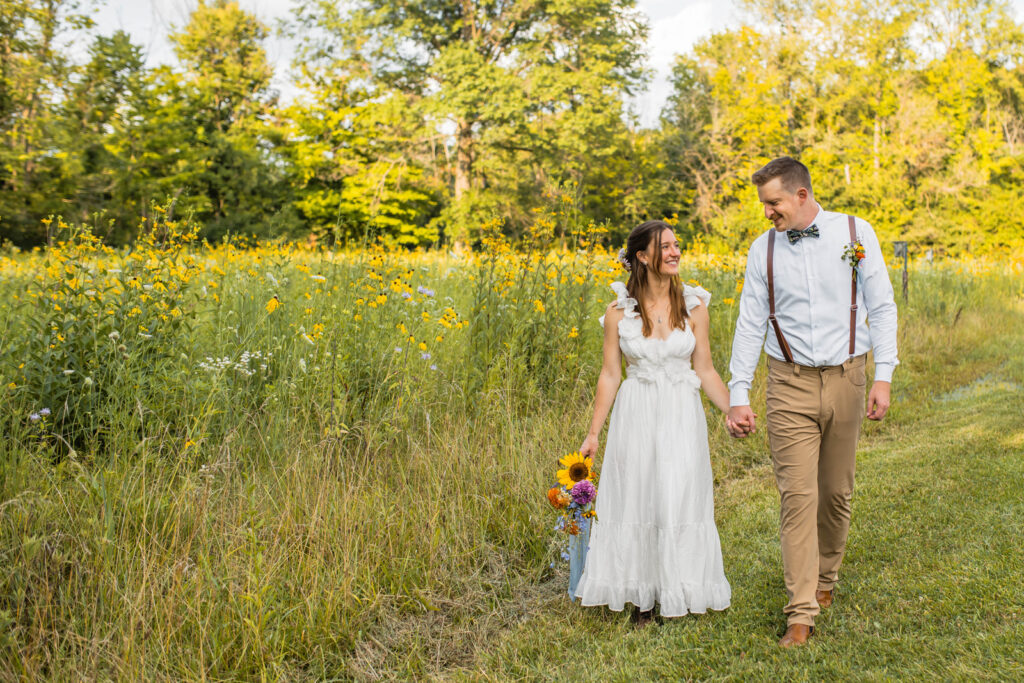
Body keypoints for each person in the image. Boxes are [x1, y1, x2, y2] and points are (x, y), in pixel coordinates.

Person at [726, 156, 899, 647]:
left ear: (801, 195)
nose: (767, 212)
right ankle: (800, 612)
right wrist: (739, 392)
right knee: (797, 498)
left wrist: (883, 376)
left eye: (773, 202)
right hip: (788, 383)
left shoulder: (855, 232)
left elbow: (882, 306)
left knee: (836, 492)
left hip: (848, 377)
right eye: (764, 203)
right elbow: (749, 322)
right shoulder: (763, 250)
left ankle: (826, 578)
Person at [573, 219, 732, 626]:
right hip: (637, 410)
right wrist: (593, 433)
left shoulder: (695, 306)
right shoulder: (618, 312)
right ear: (642, 256)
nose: (675, 252)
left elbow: (707, 370)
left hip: (681, 410)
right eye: (665, 247)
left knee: (678, 493)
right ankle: (642, 597)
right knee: (639, 492)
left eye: (677, 245)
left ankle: (677, 586)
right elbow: (610, 374)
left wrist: (733, 410)